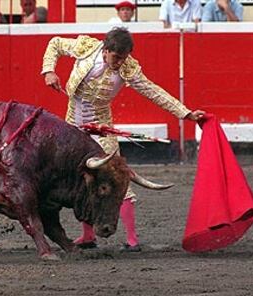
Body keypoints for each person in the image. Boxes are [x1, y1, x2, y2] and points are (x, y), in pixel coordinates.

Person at [41, 27, 205, 252]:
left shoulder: (128, 68)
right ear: (105, 50)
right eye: (116, 57)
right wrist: (49, 71)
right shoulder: (86, 47)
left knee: (118, 179)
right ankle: (88, 236)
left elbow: (153, 91)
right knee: (80, 182)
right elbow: (55, 43)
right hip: (72, 127)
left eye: (124, 57)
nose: (119, 62)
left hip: (102, 128)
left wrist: (185, 113)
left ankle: (132, 240)